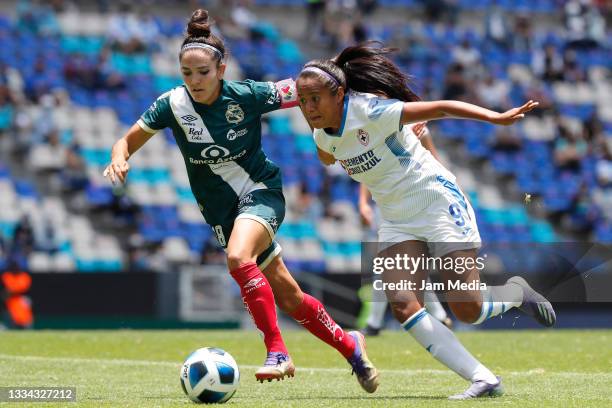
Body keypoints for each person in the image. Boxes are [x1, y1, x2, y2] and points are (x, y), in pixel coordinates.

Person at [103, 9, 378, 392]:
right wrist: (119, 157)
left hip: (260, 192)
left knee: (237, 258)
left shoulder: (247, 95)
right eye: (187, 74)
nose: (195, 81)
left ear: (221, 68)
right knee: (290, 296)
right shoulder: (173, 105)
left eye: (203, 72)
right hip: (220, 212)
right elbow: (126, 140)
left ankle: (277, 351)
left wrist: (350, 94)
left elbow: (303, 89)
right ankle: (351, 346)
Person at [295, 43, 556, 400]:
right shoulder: (321, 133)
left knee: (467, 309)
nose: (309, 108)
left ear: (339, 93)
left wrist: (496, 118)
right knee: (402, 302)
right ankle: (484, 379)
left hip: (435, 200)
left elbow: (443, 108)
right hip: (396, 218)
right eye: (302, 100)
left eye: (315, 99)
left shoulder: (371, 110)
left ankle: (516, 293)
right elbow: (328, 153)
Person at [359, 123, 452, 336]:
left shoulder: (419, 129)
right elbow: (369, 171)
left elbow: (436, 163)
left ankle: (374, 324)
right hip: (389, 205)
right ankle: (439, 317)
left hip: (417, 204)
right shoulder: (381, 128)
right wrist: (363, 203)